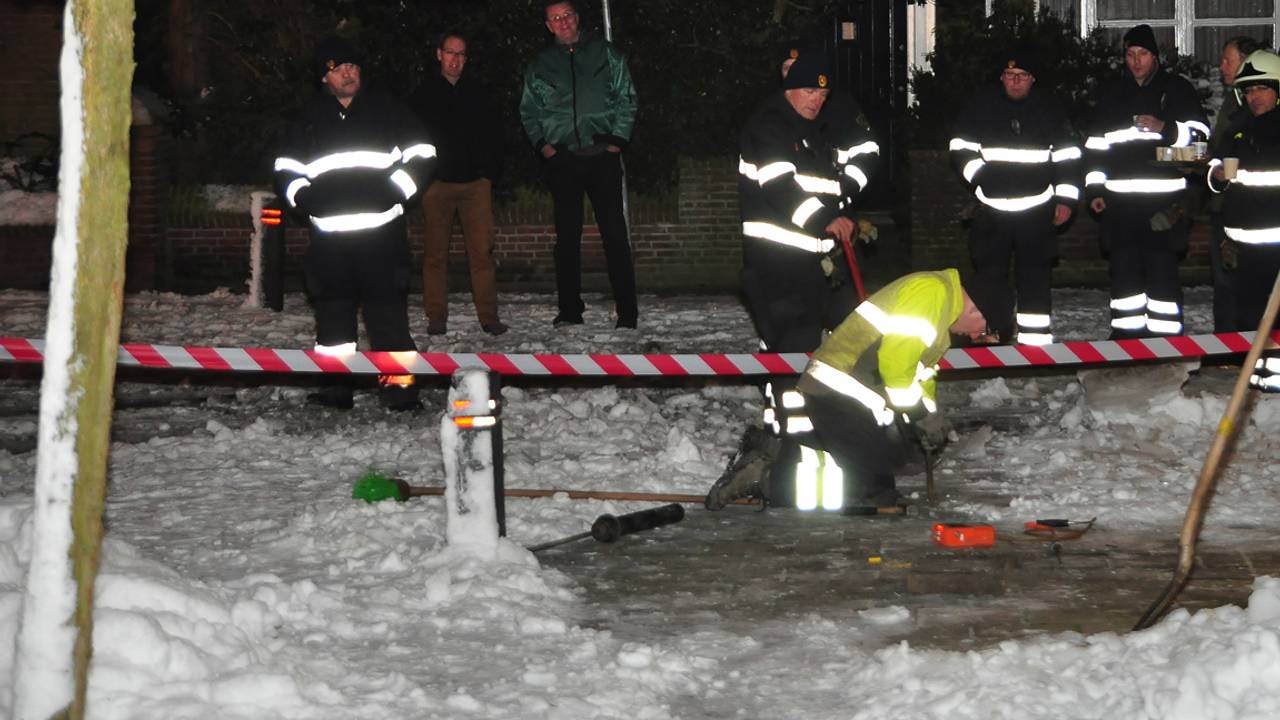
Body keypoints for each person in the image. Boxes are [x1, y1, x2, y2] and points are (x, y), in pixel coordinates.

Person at [704, 52, 869, 511]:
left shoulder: (811, 133)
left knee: (794, 357)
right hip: (776, 266)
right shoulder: (769, 127)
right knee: (789, 356)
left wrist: (843, 215)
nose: (816, 98)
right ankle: (792, 452)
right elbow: (781, 191)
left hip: (809, 267)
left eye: (822, 91)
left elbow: (829, 189)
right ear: (789, 89)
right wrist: (826, 221)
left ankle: (783, 446)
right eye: (808, 90)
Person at [706, 269, 987, 510]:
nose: (976, 337)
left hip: (853, 397)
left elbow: (919, 375)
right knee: (873, 493)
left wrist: (929, 416)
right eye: (983, 329)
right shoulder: (931, 294)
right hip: (838, 390)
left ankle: (774, 455)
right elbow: (895, 366)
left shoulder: (940, 310)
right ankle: (766, 478)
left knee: (884, 463)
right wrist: (919, 415)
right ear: (975, 308)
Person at [273, 36, 435, 411]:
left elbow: (423, 153)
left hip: (382, 238)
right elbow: (285, 168)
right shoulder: (308, 120)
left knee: (388, 316)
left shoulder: (386, 111)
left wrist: (395, 190)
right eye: (339, 68)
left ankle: (399, 389)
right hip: (330, 242)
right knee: (332, 319)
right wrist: (304, 198)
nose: (349, 73)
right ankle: (335, 388)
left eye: (354, 67)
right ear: (323, 77)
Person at [519, 1, 640, 329]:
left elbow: (626, 96)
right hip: (564, 160)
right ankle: (570, 310)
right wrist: (543, 146)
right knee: (567, 239)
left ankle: (627, 311)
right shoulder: (541, 64)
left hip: (602, 156)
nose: (563, 23)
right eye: (555, 18)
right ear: (548, 25)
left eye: (567, 15)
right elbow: (530, 110)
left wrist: (618, 138)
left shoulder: (605, 53)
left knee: (614, 234)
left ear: (577, 17)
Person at [1084, 25, 1209, 339]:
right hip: (1120, 208)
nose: (1136, 61)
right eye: (1130, 54)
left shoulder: (1177, 90)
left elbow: (1199, 149)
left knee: (1162, 275)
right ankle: (1126, 344)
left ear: (1155, 56)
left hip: (1163, 206)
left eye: (1142, 54)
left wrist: (1165, 128)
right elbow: (1096, 148)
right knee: (1124, 276)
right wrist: (1095, 189)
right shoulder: (1112, 94)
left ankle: (1166, 345)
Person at [950, 50, 1080, 345]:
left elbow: (1069, 156)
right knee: (988, 281)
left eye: (1022, 76)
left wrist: (1066, 200)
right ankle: (986, 340)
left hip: (1036, 210)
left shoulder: (1049, 108)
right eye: (1010, 76)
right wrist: (980, 177)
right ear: (1001, 77)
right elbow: (960, 148)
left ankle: (1035, 346)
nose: (1016, 82)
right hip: (992, 213)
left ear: (1033, 79)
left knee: (1035, 279)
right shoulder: (981, 105)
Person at [411, 32, 507, 337]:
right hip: (437, 185)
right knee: (435, 255)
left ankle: (489, 317)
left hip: (474, 185)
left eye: (462, 54)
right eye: (451, 53)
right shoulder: (422, 95)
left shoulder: (479, 92)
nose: (456, 60)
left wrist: (488, 173)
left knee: (482, 253)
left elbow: (496, 132)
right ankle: (436, 316)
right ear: (439, 54)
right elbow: (411, 137)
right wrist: (424, 176)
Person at [1208, 49, 1280, 393]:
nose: (1255, 97)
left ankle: (1276, 379)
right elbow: (1213, 171)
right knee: (1248, 313)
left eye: (1262, 89)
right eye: (1249, 90)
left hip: (1276, 245)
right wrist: (1218, 175)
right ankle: (1254, 377)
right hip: (1241, 245)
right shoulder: (1237, 128)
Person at [1204, 36, 1264, 333]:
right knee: (1226, 282)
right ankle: (1227, 347)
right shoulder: (1235, 104)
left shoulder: (1256, 111)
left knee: (1244, 286)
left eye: (1228, 60)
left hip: (1255, 218)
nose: (1221, 66)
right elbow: (1221, 152)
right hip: (1226, 209)